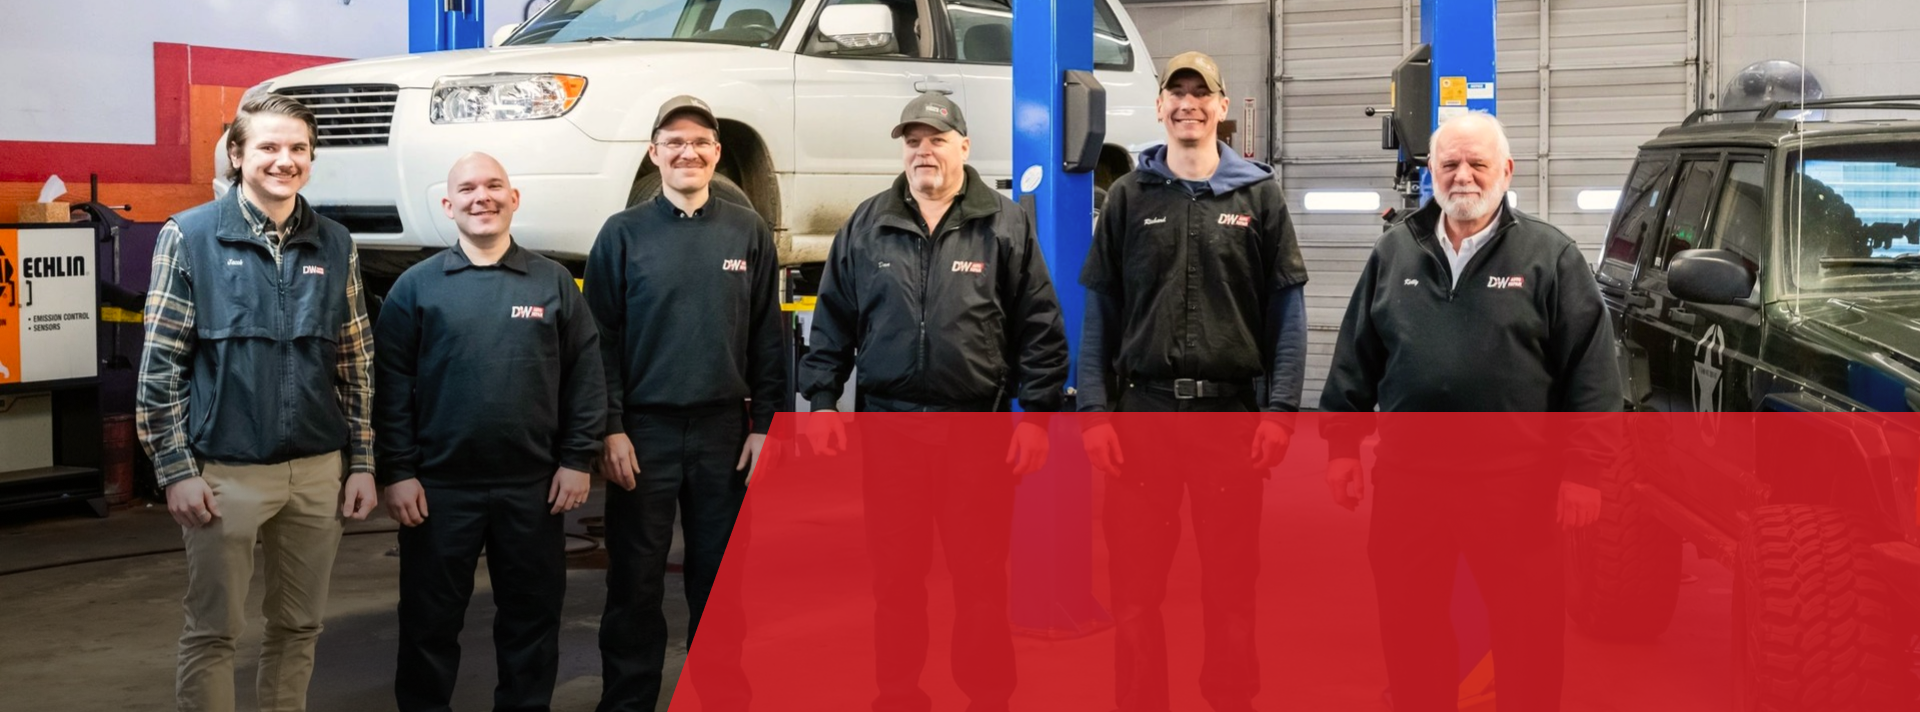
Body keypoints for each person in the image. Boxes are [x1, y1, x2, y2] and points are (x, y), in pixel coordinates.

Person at [1318, 111, 1618, 712]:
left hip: (1516, 488)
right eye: (1449, 164)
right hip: (1409, 484)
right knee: (1411, 626)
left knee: (1527, 633)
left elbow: (1592, 371)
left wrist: (1584, 471)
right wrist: (1342, 447)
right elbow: (1357, 352)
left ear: (1506, 171)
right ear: (1431, 171)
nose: (1463, 177)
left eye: (1477, 164)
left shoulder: (1550, 257)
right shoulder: (1395, 252)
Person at [797, 91, 1070, 712]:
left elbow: (1040, 326)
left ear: (964, 148)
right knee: (895, 582)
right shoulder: (866, 224)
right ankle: (898, 694)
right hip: (889, 432)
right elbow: (834, 320)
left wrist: (1038, 417)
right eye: (914, 141)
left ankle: (987, 697)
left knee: (979, 583)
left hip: (977, 433)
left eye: (937, 140)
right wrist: (819, 400)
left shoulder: (1004, 223)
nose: (925, 152)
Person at [1075, 51, 1308, 712]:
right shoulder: (1128, 197)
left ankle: (1230, 699)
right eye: (1175, 94)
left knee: (1231, 590)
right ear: (1158, 108)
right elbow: (1101, 311)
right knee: (1135, 594)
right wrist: (1093, 411)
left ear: (1221, 107)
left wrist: (1281, 411)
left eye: (1199, 94)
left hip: (1229, 422)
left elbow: (1286, 312)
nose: (1187, 105)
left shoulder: (1258, 196)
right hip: (1141, 419)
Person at [136, 93, 379, 712]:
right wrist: (175, 472)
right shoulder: (189, 237)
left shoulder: (336, 243)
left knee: (299, 626)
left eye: (298, 148)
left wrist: (362, 463)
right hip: (225, 473)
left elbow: (356, 362)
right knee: (215, 631)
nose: (285, 160)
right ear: (238, 155)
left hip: (317, 472)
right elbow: (160, 366)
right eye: (269, 147)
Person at [373, 153, 605, 712]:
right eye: (469, 189)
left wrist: (577, 459)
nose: (484, 197)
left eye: (495, 186)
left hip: (534, 489)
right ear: (449, 206)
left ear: (514, 198)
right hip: (438, 492)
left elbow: (586, 377)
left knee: (531, 623)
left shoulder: (553, 283)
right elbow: (391, 390)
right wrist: (398, 472)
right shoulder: (416, 288)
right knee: (429, 625)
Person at [585, 95, 789, 712]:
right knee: (635, 584)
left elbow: (767, 336)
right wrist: (610, 429)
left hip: (725, 434)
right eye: (673, 142)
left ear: (717, 154)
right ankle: (628, 702)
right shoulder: (622, 235)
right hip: (642, 435)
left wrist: (768, 427)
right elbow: (600, 343)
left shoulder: (746, 230)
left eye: (700, 141)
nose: (687, 152)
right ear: (654, 154)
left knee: (722, 581)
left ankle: (721, 696)